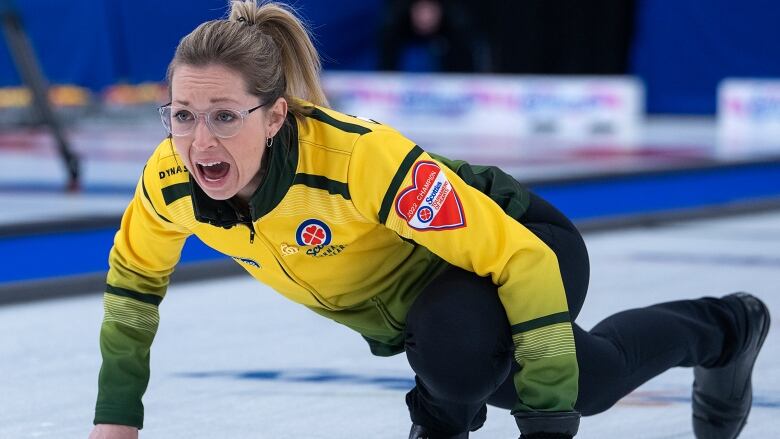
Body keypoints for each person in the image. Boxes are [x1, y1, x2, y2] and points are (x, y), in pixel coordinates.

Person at [88, 2, 770, 438]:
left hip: (522, 243)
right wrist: (117, 419)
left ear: (274, 117)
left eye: (224, 116)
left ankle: (725, 325)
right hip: (428, 306)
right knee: (511, 364)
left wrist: (547, 426)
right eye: (181, 115)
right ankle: (726, 330)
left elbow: (517, 259)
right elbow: (132, 287)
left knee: (534, 378)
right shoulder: (169, 180)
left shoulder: (356, 159)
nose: (200, 141)